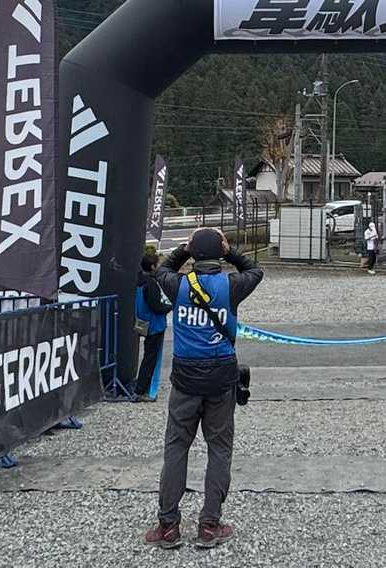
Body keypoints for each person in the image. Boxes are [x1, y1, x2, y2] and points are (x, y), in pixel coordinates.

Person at [145, 228, 264, 551]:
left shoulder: (178, 285)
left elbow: (162, 269)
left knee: (176, 448)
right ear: (219, 253)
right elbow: (255, 271)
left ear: (193, 253)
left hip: (185, 378)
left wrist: (183, 250)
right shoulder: (231, 286)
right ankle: (209, 525)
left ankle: (168, 525)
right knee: (219, 449)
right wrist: (230, 252)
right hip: (221, 377)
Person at [135, 252, 174, 399]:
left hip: (143, 321)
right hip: (154, 324)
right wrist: (170, 306)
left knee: (148, 355)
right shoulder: (151, 284)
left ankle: (142, 386)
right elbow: (156, 307)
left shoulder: (139, 280)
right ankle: (143, 390)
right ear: (152, 266)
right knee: (151, 358)